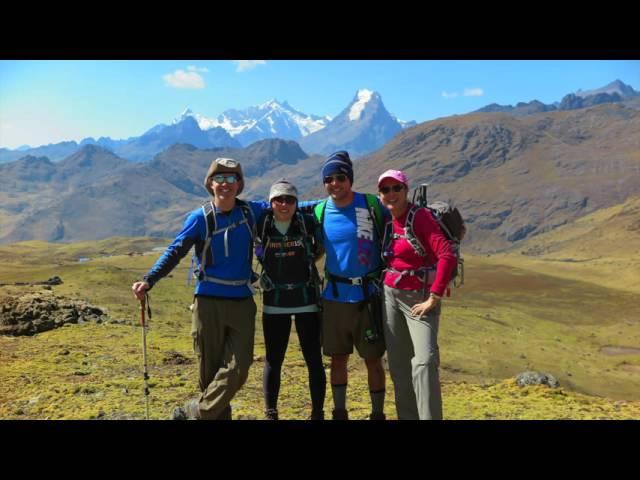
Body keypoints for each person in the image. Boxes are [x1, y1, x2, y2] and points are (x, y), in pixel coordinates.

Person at [131, 157, 269, 420]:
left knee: (239, 368)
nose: (225, 184)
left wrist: (331, 203)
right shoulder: (200, 218)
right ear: (210, 183)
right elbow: (175, 251)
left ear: (239, 184)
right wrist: (150, 278)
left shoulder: (251, 211)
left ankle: (194, 411)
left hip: (242, 301)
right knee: (210, 374)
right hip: (208, 302)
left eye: (231, 178)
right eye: (220, 178)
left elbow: (286, 205)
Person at [311, 150, 389, 420]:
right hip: (334, 298)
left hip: (367, 297)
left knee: (373, 360)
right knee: (338, 359)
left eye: (340, 177)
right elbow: (317, 248)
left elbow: (396, 231)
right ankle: (339, 412)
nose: (335, 183)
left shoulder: (370, 205)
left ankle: (377, 414)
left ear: (350, 179)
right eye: (329, 179)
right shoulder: (320, 211)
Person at [377, 169, 457, 420]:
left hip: (420, 297)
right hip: (390, 295)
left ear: (406, 190)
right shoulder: (387, 218)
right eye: (385, 190)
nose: (391, 194)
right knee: (399, 367)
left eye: (396, 188)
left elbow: (446, 254)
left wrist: (434, 297)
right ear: (380, 195)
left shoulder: (420, 217)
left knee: (423, 363)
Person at [256, 178, 326, 420]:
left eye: (289, 199)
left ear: (297, 202)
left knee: (313, 359)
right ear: (270, 202)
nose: (284, 204)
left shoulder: (307, 222)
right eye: (278, 199)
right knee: (274, 359)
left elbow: (321, 247)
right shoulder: (262, 223)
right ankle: (271, 412)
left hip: (307, 300)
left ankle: (318, 412)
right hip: (274, 302)